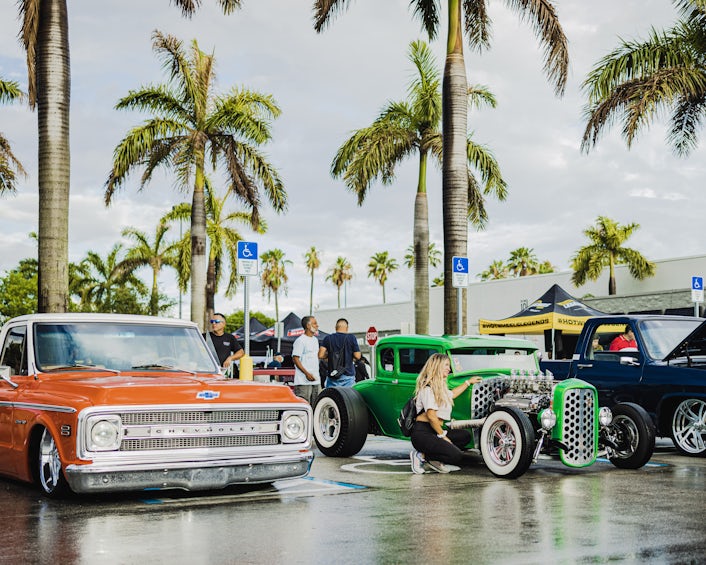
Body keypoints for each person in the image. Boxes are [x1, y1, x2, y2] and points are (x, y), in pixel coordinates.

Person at [409, 353, 482, 474]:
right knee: (456, 456)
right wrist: (443, 436)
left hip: (434, 431)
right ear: (437, 366)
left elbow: (452, 394)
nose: (449, 368)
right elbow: (431, 417)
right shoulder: (427, 389)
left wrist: (468, 382)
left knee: (465, 436)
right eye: (446, 365)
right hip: (422, 433)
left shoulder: (440, 388)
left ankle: (433, 460)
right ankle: (420, 456)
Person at [319, 318, 361, 387]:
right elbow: (357, 356)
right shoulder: (351, 338)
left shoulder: (328, 338)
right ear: (347, 328)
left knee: (333, 397)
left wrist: (329, 355)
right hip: (348, 376)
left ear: (336, 328)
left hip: (332, 375)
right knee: (348, 397)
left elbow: (320, 355)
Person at [292, 316, 322, 404]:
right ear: (308, 326)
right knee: (303, 406)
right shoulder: (300, 341)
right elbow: (295, 358)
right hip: (302, 381)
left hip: (316, 380)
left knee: (316, 405)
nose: (317, 325)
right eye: (315, 323)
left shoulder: (315, 340)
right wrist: (306, 373)